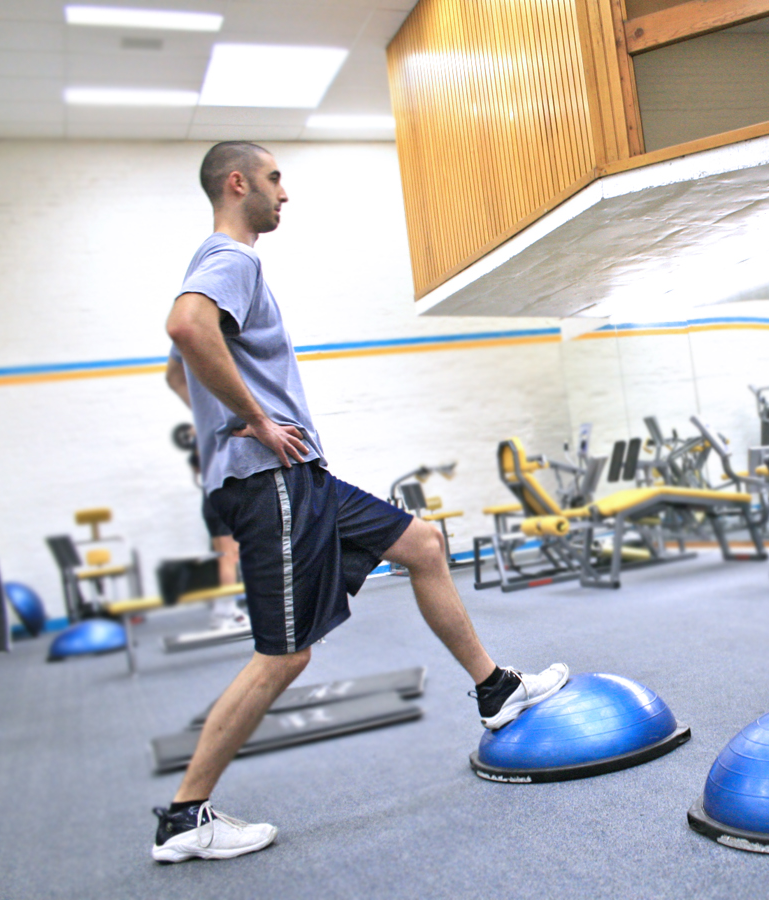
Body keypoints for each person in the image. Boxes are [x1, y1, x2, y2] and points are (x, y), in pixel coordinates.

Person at [153, 141, 568, 863]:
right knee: (285, 656)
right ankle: (185, 816)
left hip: (298, 476)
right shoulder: (232, 258)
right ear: (237, 182)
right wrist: (251, 420)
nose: (285, 194)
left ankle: (494, 688)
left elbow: (176, 374)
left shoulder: (221, 266)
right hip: (271, 481)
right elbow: (185, 332)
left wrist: (232, 418)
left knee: (422, 544)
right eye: (276, 179)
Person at [163, 377, 248, 629]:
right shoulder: (213, 437)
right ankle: (225, 613)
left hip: (211, 500)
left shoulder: (207, 441)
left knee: (226, 555)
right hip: (218, 501)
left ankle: (223, 611)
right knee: (228, 556)